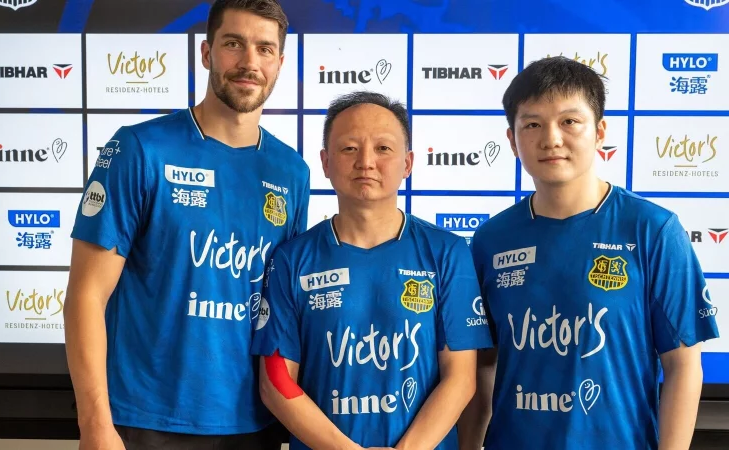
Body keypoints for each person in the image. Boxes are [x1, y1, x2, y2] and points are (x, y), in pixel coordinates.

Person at [63, 1, 309, 449]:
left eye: (264, 49)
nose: (249, 62)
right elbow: (85, 294)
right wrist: (94, 422)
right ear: (207, 53)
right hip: (146, 421)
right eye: (233, 44)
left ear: (280, 63)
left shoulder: (292, 172)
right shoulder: (139, 149)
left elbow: (284, 316)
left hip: (256, 424)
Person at [457, 56, 720, 450]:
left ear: (599, 133)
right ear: (512, 140)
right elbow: (482, 366)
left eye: (569, 121)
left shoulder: (652, 230)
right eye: (532, 124)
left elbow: (682, 366)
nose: (551, 138)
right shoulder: (491, 240)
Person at [251, 91, 493, 450]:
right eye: (349, 148)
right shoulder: (291, 260)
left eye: (383, 148)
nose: (366, 161)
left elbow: (460, 379)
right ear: (326, 162)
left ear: (407, 163)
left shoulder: (447, 252)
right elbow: (275, 381)